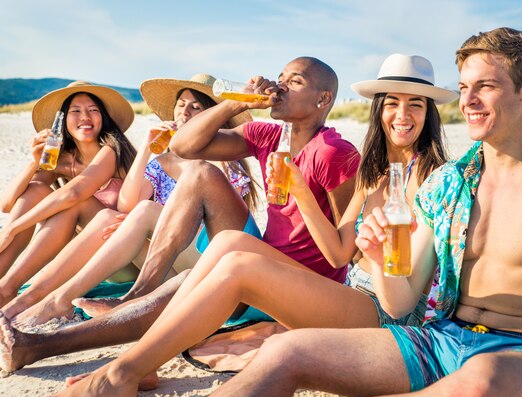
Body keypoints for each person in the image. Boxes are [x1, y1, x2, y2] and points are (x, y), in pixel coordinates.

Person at [182, 28, 522, 397]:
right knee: (286, 349)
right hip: (441, 337)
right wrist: (377, 259)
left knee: (472, 391)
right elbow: (400, 304)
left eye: (485, 87)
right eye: (464, 87)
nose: (468, 101)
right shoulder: (452, 183)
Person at [29, 54, 460, 397]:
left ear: (430, 114)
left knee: (236, 262)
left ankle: (122, 372)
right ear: (378, 109)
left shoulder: (434, 177)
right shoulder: (374, 173)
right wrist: (293, 183)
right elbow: (340, 250)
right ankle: (136, 362)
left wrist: (370, 248)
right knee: (230, 245)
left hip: (385, 315)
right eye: (392, 103)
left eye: (416, 105)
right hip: (352, 291)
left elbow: (381, 287)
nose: (401, 116)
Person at [0, 56, 358, 375]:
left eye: (293, 81)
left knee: (188, 282)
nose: (279, 85)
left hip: (303, 283)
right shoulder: (267, 134)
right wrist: (234, 102)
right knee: (200, 172)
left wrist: (299, 191)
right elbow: (184, 147)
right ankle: (135, 296)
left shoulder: (333, 152)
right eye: (280, 75)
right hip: (266, 252)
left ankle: (44, 343)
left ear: (323, 99)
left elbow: (343, 253)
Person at [3, 74, 259, 326]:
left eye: (196, 107)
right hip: (166, 261)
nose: (185, 112)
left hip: (207, 259)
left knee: (142, 211)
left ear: (211, 116)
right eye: (181, 105)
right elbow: (127, 204)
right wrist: (148, 147)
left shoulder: (224, 159)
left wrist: (145, 221)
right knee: (111, 215)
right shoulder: (163, 162)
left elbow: (225, 226)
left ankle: (49, 299)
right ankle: (31, 298)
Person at [0, 82, 137, 310]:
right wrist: (34, 163)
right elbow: (8, 205)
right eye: (75, 111)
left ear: (103, 117)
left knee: (75, 200)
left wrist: (11, 230)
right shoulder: (60, 159)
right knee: (37, 189)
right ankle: (4, 283)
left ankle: (8, 288)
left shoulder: (112, 149)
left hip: (123, 257)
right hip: (79, 256)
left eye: (93, 110)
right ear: (62, 120)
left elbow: (75, 192)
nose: (85, 116)